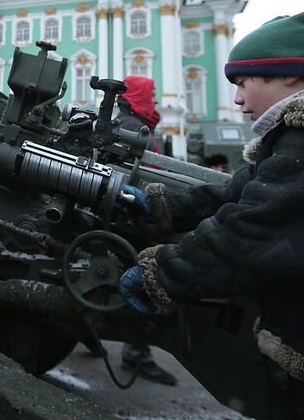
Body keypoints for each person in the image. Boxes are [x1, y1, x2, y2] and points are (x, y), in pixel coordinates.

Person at [119, 10, 304, 418]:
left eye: (243, 84)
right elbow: (234, 193)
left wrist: (164, 274)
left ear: (290, 75)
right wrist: (157, 204)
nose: (238, 98)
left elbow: (252, 231)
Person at [115, 75, 176, 385]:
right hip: (135, 222)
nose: (153, 102)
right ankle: (137, 353)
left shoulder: (125, 123)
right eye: (150, 96)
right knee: (144, 284)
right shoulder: (135, 129)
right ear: (139, 96)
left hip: (127, 218)